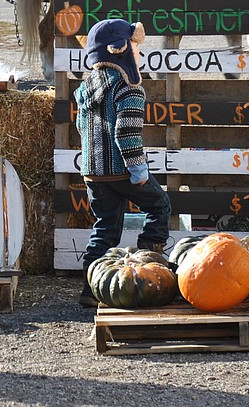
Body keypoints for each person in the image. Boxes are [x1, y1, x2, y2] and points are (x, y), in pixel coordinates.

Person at [75, 18, 171, 307]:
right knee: (159, 205)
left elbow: (82, 128)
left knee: (105, 227)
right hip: (121, 169)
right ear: (120, 51)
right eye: (136, 48)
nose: (139, 54)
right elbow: (126, 133)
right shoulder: (128, 88)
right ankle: (148, 268)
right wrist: (138, 169)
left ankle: (89, 290)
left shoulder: (85, 88)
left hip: (93, 172)